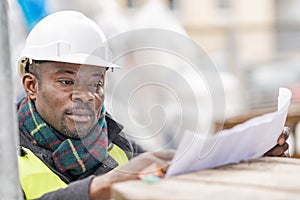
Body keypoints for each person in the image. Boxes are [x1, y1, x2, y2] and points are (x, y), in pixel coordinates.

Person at [17, 11, 290, 200]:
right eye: (66, 82)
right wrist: (100, 187)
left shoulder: (118, 145)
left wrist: (246, 157)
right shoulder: (8, 157)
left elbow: (176, 173)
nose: (85, 96)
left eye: (96, 83)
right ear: (31, 86)